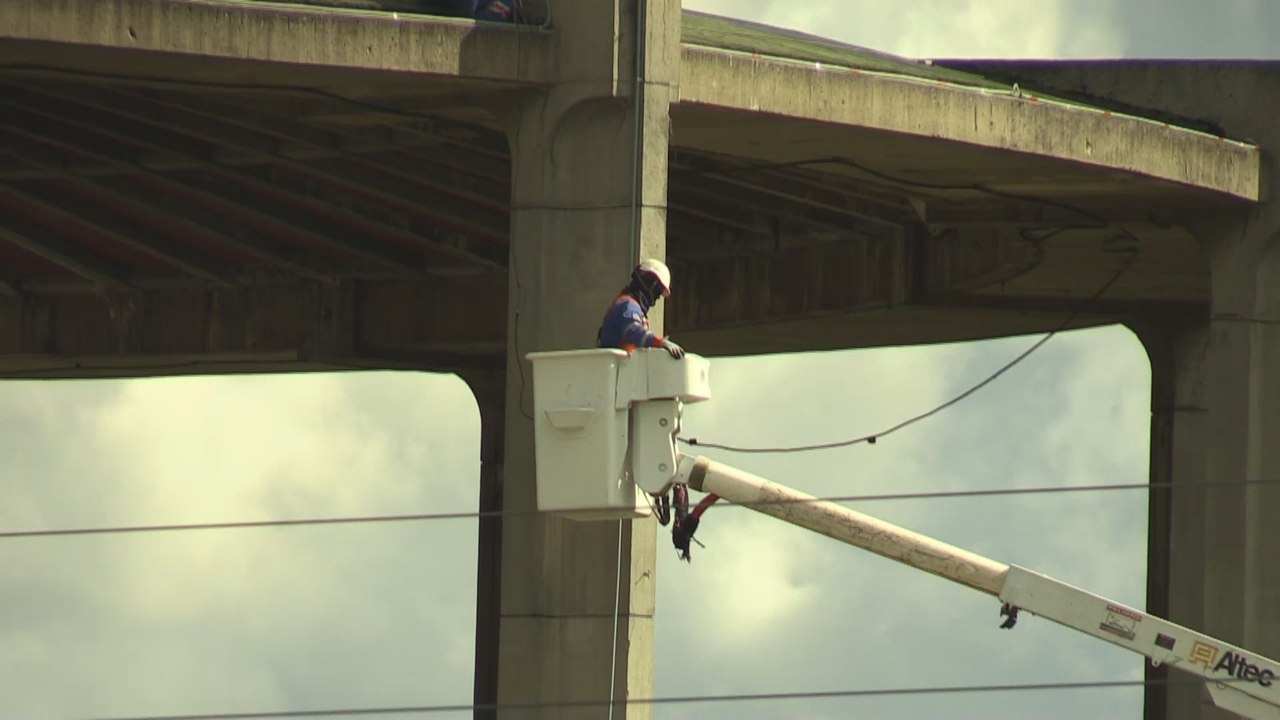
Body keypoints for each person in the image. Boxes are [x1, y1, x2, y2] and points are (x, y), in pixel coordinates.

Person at [597, 258, 685, 358]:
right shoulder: (627, 304)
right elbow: (632, 330)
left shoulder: (634, 307)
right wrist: (660, 342)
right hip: (616, 368)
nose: (656, 299)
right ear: (650, 283)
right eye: (657, 292)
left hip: (623, 369)